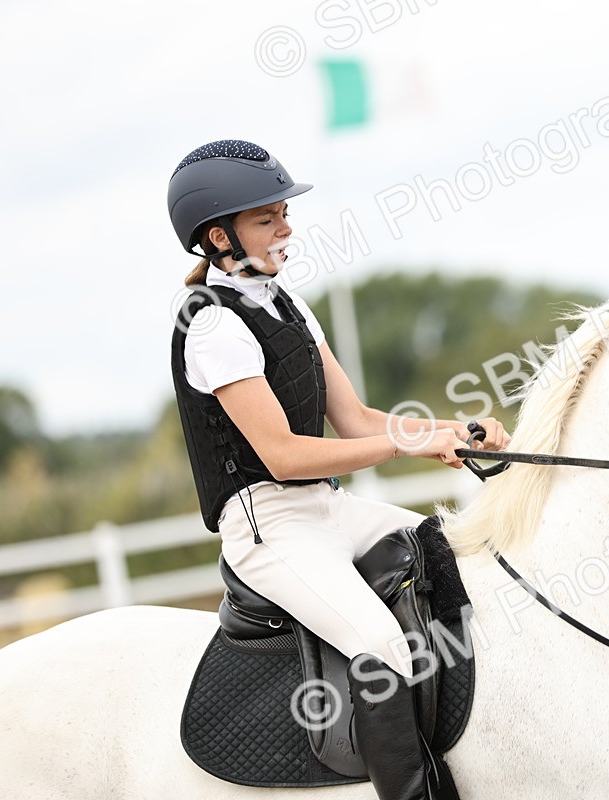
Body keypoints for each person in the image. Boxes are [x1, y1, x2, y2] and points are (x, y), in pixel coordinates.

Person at [166, 139, 509, 800]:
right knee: (382, 646)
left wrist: (446, 431)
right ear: (218, 235)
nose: (287, 228)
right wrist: (408, 447)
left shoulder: (286, 304)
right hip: (270, 530)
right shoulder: (212, 327)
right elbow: (286, 456)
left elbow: (353, 419)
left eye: (281, 215)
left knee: (454, 560)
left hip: (326, 508)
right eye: (268, 219)